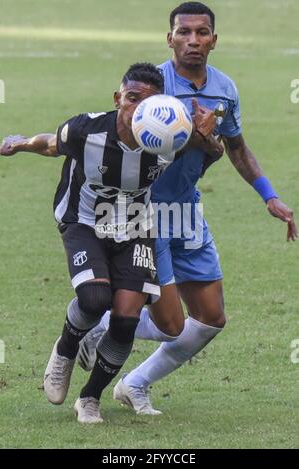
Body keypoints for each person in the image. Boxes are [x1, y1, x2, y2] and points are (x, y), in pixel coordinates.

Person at [77, 1, 298, 416]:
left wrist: (269, 194)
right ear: (170, 38)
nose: (192, 40)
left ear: (214, 40)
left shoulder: (224, 89)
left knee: (211, 317)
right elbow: (129, 149)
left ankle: (134, 384)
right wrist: (194, 139)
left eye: (201, 33)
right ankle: (103, 327)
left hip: (187, 210)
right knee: (168, 324)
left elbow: (232, 150)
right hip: (145, 212)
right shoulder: (151, 89)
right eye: (184, 32)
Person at [0, 62, 217, 423]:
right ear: (118, 98)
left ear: (158, 105)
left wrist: (210, 140)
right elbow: (50, 144)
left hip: (135, 228)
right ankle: (66, 349)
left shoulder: (170, 135)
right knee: (95, 298)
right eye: (130, 98)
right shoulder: (86, 130)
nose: (135, 108)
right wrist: (19, 143)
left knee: (125, 319)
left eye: (146, 102)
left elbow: (207, 149)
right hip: (84, 222)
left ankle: (90, 398)